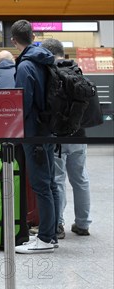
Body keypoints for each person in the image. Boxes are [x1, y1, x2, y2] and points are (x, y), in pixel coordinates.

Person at [11, 19, 60, 254]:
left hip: (33, 133)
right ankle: (51, 235)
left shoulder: (25, 66)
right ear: (33, 35)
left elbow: (22, 103)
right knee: (49, 184)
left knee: (41, 185)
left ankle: (45, 239)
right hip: (48, 129)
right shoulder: (45, 60)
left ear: (14, 40)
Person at [41, 38, 92, 239]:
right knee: (80, 178)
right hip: (80, 134)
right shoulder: (77, 70)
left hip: (58, 136)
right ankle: (83, 223)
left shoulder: (51, 73)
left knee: (58, 179)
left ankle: (58, 223)